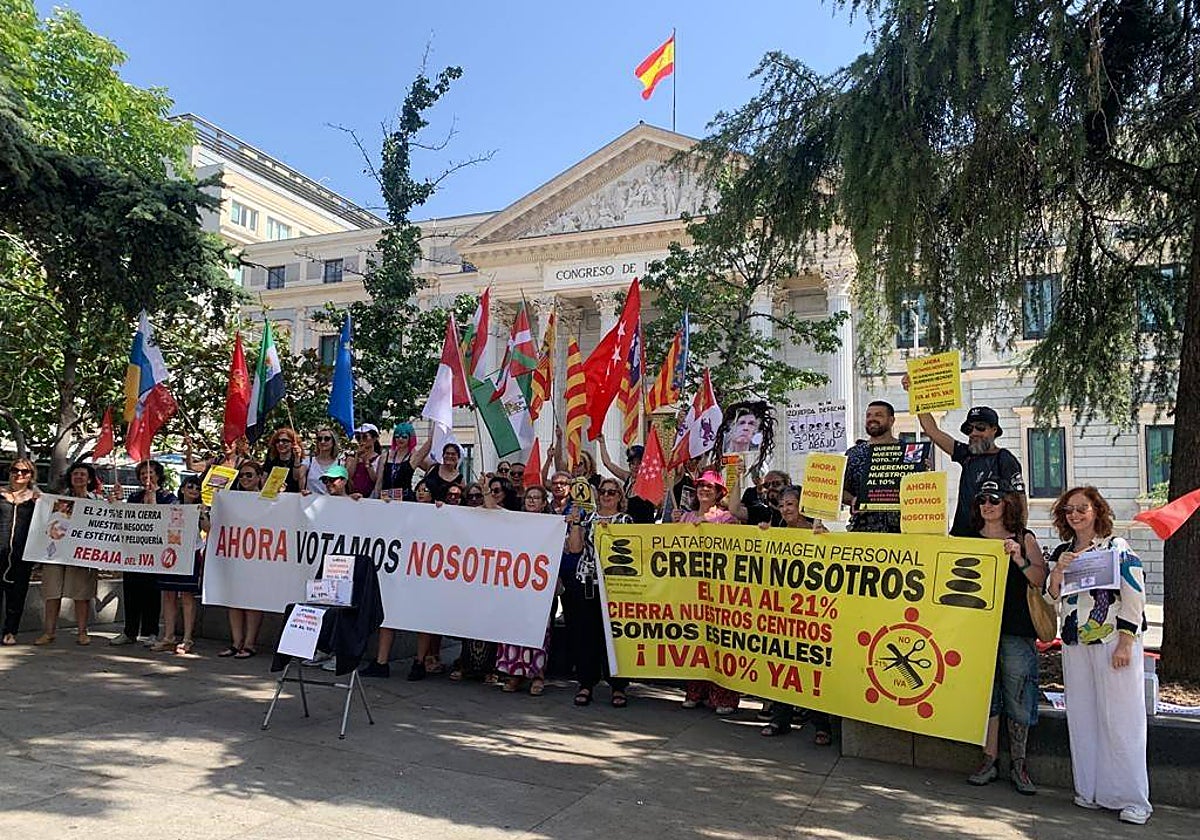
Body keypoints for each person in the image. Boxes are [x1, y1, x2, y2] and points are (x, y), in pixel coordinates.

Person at [1046, 486, 1151, 825]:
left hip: (1111, 641)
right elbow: (1051, 599)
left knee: (1122, 719)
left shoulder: (1117, 548)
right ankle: (1091, 790)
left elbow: (1133, 595)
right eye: (1069, 510)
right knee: (1083, 717)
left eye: (1082, 508)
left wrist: (1125, 642)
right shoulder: (1062, 551)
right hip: (1075, 643)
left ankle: (1134, 799)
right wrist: (1059, 570)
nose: (1075, 515)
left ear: (1097, 511)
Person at [963, 480, 1045, 794]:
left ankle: (1020, 763)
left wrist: (1019, 558)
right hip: (978, 629)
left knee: (1020, 693)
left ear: (1006, 503)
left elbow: (1040, 579)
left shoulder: (1024, 538)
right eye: (982, 499)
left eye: (994, 499)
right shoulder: (967, 539)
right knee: (986, 697)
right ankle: (989, 759)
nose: (988, 505)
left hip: (1016, 629)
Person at [900, 381, 1025, 535]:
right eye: (969, 429)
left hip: (992, 541)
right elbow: (932, 431)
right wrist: (915, 392)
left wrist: (1020, 538)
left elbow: (1020, 501)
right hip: (961, 536)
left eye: (981, 427)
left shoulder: (1005, 459)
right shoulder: (966, 454)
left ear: (994, 430)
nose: (974, 433)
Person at [760, 485, 832, 742]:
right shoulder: (777, 532)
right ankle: (780, 719)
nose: (785, 509)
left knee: (812, 668)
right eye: (782, 505)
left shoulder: (819, 531)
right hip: (782, 610)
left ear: (802, 505)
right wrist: (763, 537)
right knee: (782, 665)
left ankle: (821, 724)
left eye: (790, 504)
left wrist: (825, 537)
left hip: (811, 613)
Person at [673, 471, 741, 713]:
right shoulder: (686, 516)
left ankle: (723, 696)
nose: (704, 490)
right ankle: (695, 690)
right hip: (691, 590)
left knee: (718, 642)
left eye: (710, 487)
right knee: (695, 640)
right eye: (701, 486)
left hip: (717, 592)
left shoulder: (726, 518)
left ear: (719, 492)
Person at [565, 476, 631, 707]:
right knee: (586, 635)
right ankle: (585, 683)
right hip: (588, 582)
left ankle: (618, 686)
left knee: (614, 638)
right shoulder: (588, 518)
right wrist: (574, 524)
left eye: (612, 492)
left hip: (615, 587)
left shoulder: (626, 520)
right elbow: (575, 548)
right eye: (603, 491)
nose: (606, 496)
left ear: (619, 497)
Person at [495, 484, 555, 695]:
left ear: (543, 503)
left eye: (536, 497)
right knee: (513, 628)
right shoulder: (515, 521)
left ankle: (537, 675)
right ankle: (514, 674)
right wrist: (486, 492)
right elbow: (493, 511)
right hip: (516, 584)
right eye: (529, 497)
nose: (531, 500)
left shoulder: (552, 525)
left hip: (540, 587)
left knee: (538, 630)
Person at [110, 460, 175, 647]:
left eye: (150, 473)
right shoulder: (135, 497)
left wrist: (152, 496)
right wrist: (118, 501)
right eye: (143, 475)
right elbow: (125, 519)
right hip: (134, 553)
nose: (147, 477)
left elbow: (160, 520)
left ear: (158, 475)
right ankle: (129, 632)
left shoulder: (167, 497)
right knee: (131, 592)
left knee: (152, 593)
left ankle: (150, 632)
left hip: (156, 553)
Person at [36, 463, 100, 646]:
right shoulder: (58, 500)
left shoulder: (97, 502)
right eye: (75, 474)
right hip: (55, 553)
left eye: (82, 474)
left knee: (81, 595)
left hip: (82, 555)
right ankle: (49, 632)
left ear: (89, 479)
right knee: (52, 593)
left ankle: (82, 632)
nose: (78, 477)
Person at [152, 475, 205, 655]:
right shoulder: (171, 506)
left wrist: (203, 513)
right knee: (168, 595)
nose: (193, 490)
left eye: (197, 488)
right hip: (170, 553)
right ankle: (168, 636)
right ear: (182, 488)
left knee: (187, 597)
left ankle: (187, 638)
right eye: (190, 486)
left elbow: (208, 528)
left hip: (190, 554)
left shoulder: (200, 508)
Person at [218, 461, 265, 658]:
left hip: (259, 555)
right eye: (243, 476)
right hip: (235, 553)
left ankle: (250, 643)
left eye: (249, 475)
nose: (245, 479)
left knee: (252, 600)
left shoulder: (268, 499)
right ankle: (236, 642)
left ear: (259, 477)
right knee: (234, 599)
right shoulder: (231, 498)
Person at [842, 401, 906, 533]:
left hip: (902, 530)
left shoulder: (907, 451)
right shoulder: (853, 454)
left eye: (878, 415)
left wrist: (924, 470)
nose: (872, 419)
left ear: (891, 420)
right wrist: (853, 500)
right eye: (868, 415)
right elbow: (839, 490)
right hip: (863, 529)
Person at [1, 459, 39, 645]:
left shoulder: (37, 499)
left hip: (22, 554)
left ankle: (10, 631)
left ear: (31, 476)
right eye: (15, 470)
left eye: (25, 472)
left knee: (17, 595)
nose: (19, 474)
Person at [597, 438, 656, 523]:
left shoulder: (650, 481)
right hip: (626, 527)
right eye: (632, 463)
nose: (635, 467)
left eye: (639, 463)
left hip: (644, 529)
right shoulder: (628, 477)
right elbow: (608, 464)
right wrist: (602, 443)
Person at [261, 426, 305, 494]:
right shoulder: (271, 460)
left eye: (285, 441)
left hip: (292, 498)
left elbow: (296, 478)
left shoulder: (301, 461)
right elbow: (263, 480)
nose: (280, 443)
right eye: (277, 441)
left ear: (293, 443)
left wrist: (297, 458)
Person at [346, 423, 381, 498]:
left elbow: (377, 480)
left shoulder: (380, 458)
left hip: (371, 499)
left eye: (365, 437)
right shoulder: (351, 458)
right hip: (353, 497)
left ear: (374, 438)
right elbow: (348, 477)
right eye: (358, 437)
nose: (361, 440)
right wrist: (357, 457)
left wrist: (367, 462)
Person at [303, 427, 342, 495]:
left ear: (333, 442)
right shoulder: (308, 462)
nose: (322, 441)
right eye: (319, 439)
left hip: (332, 503)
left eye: (327, 439)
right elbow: (297, 477)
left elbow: (343, 491)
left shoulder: (341, 464)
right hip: (310, 502)